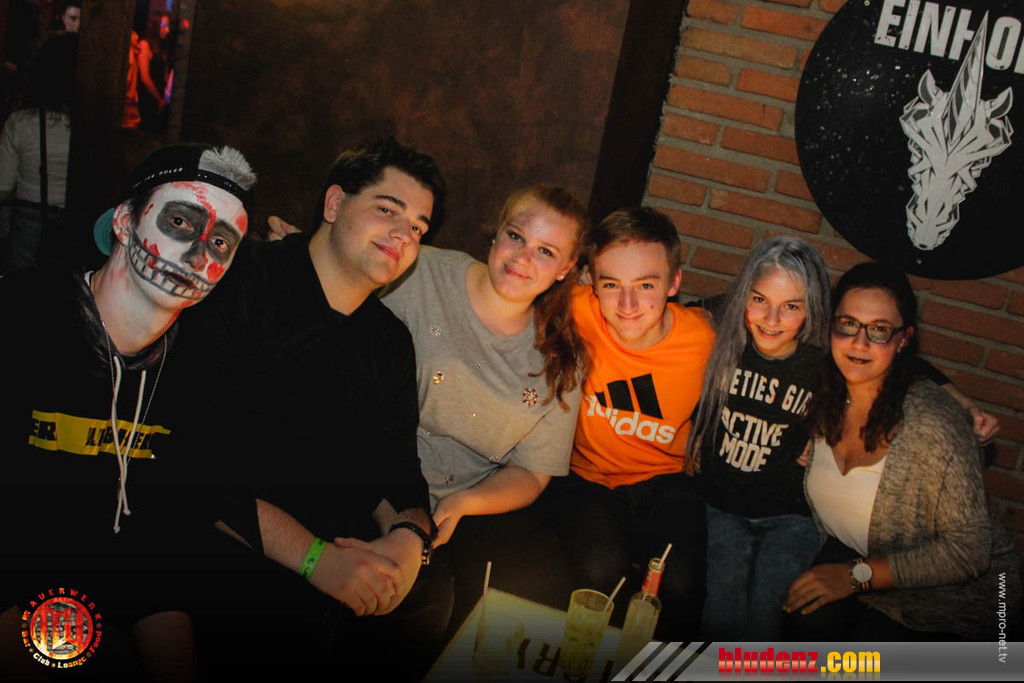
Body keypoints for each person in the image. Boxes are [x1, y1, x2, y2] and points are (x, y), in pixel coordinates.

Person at [177, 137, 450, 677]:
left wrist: (408, 540)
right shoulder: (242, 281)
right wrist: (314, 558)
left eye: (418, 228)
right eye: (387, 210)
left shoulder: (390, 340)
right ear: (333, 203)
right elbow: (190, 454)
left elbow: (399, 471)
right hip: (224, 540)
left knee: (434, 598)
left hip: (336, 543)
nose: (404, 234)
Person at [0, 143, 256, 680]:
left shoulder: (199, 374)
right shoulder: (20, 316)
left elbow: (160, 558)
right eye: (180, 221)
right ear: (122, 222)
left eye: (220, 242)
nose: (197, 257)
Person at [377, 185, 589, 621]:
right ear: (496, 233)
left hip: (464, 502)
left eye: (546, 251)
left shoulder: (562, 359)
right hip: (371, 477)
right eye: (516, 236)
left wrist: (463, 503)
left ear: (566, 269)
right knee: (423, 608)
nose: (523, 258)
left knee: (539, 603)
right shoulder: (418, 273)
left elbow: (532, 472)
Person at [784, 262, 1022, 640]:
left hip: (956, 605)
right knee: (799, 616)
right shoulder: (825, 396)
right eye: (848, 324)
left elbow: (969, 551)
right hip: (867, 568)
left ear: (903, 339)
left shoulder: (929, 425)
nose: (859, 343)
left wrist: (854, 576)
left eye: (879, 330)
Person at [542, 207, 714, 641]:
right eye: (612, 285)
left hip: (667, 481)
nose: (628, 305)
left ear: (674, 283)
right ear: (592, 283)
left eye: (646, 285)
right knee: (600, 573)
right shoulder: (578, 309)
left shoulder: (704, 340)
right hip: (586, 477)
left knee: (679, 585)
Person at [687, 236, 830, 641]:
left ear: (812, 309)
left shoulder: (824, 366)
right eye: (760, 299)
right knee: (719, 616)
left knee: (766, 621)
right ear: (743, 298)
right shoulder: (721, 342)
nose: (771, 318)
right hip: (722, 506)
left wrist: (825, 442)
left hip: (791, 516)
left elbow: (897, 366)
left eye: (791, 306)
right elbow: (674, 314)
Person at [0, 31, 77, 272]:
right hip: (76, 226)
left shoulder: (21, 124)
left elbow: (3, 189)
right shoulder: (95, 129)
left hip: (28, 224)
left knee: (21, 289)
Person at [137, 13, 171, 133]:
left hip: (160, 100)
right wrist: (159, 99)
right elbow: (145, 78)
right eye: (164, 25)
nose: (167, 30)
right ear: (155, 26)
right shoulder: (145, 45)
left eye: (168, 26)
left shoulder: (162, 47)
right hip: (148, 99)